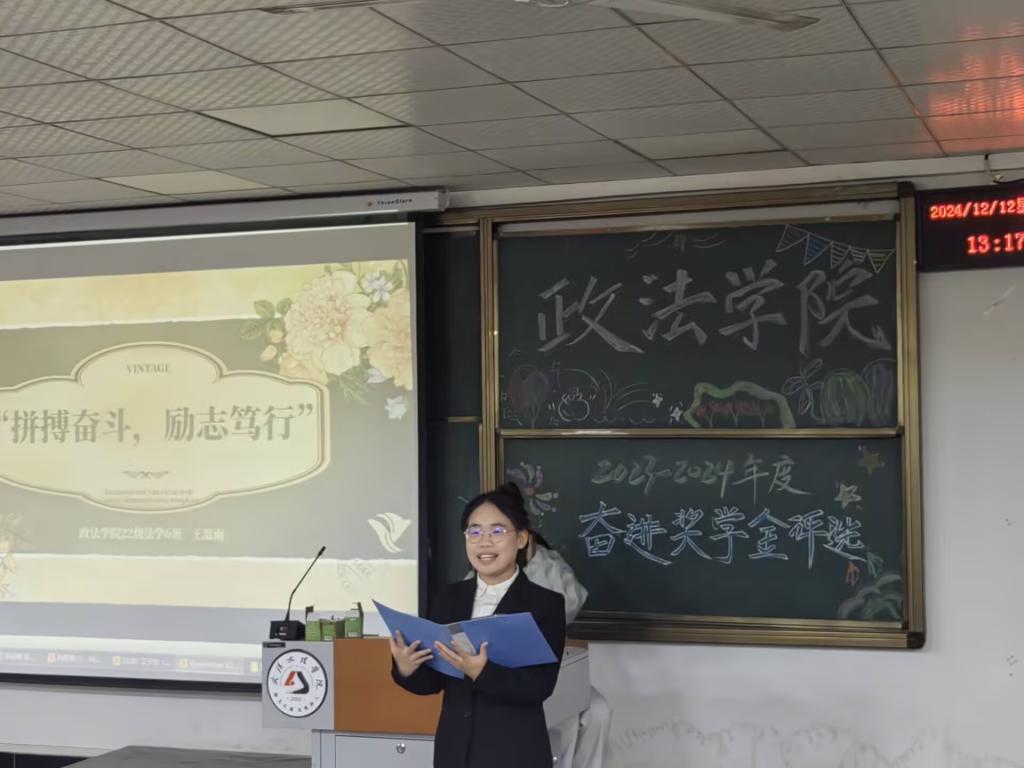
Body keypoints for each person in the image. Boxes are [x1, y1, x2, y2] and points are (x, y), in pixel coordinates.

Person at [389, 484, 567, 768]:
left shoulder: (545, 604)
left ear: (521, 538)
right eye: (474, 532)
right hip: (455, 752)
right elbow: (433, 682)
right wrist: (406, 668)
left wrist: (482, 672)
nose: (484, 542)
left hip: (515, 753)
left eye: (497, 531)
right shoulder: (448, 598)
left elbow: (540, 686)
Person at [522, 531, 612, 768]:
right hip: (515, 677)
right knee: (566, 712)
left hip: (557, 668)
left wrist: (535, 560)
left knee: (599, 710)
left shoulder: (545, 559)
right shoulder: (485, 570)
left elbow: (568, 606)